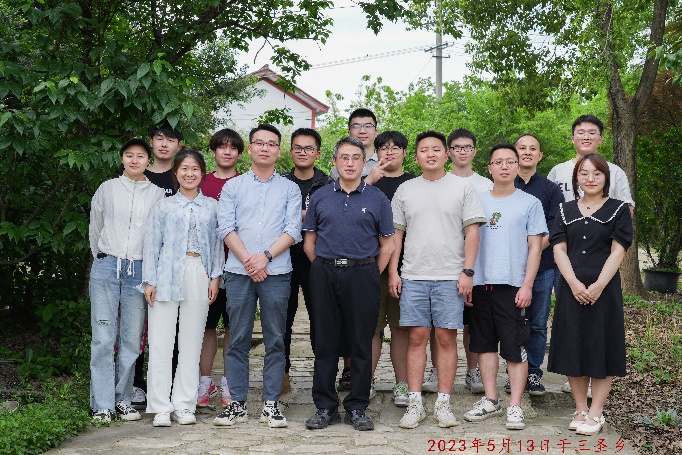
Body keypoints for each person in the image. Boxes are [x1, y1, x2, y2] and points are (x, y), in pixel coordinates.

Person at [390, 131, 486, 429]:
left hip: (450, 277)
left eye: (436, 149)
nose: (430, 154)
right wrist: (393, 272)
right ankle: (415, 404)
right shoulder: (405, 189)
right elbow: (396, 236)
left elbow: (472, 232)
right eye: (424, 150)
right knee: (416, 337)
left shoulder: (463, 187)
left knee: (446, 338)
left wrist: (467, 272)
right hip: (414, 276)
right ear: (415, 156)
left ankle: (443, 404)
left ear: (446, 154)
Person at [303, 137, 394, 431]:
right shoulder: (320, 196)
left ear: (364, 162)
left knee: (361, 342)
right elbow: (309, 242)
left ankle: (357, 406)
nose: (350, 163)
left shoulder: (377, 199)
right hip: (325, 272)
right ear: (334, 162)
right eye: (344, 157)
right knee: (325, 341)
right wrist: (325, 267)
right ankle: (325, 406)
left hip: (363, 274)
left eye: (356, 157)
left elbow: (387, 244)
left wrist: (370, 272)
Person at [214, 124, 302, 428]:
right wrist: (248, 261)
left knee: (276, 338)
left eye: (271, 143)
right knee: (237, 338)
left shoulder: (290, 189)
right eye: (259, 143)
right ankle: (237, 404)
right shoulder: (233, 187)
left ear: (279, 150)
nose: (265, 148)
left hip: (276, 271)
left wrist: (264, 257)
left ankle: (271, 404)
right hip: (239, 273)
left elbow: (293, 230)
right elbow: (226, 227)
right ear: (250, 148)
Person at [546, 114, 634, 396]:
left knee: (602, 344)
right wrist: (573, 283)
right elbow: (558, 245)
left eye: (597, 174)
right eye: (584, 174)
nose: (590, 178)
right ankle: (580, 408)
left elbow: (619, 246)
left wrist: (598, 285)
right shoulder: (564, 202)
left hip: (604, 283)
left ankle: (596, 411)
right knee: (572, 343)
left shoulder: (617, 201)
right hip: (570, 281)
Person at [463, 144, 546, 431]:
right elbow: (466, 241)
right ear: (489, 167)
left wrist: (527, 285)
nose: (504, 166)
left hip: (513, 286)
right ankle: (491, 399)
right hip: (481, 284)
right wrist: (469, 279)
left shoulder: (530, 203)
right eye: (498, 162)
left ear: (517, 166)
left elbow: (535, 247)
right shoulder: (476, 202)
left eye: (510, 161)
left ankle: (515, 405)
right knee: (484, 344)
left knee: (515, 347)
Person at [141, 148, 223, 427]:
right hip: (165, 273)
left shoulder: (212, 207)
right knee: (161, 343)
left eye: (195, 169)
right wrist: (150, 280)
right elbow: (152, 244)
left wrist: (215, 277)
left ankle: (185, 405)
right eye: (184, 169)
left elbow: (217, 245)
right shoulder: (164, 206)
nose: (190, 174)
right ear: (176, 173)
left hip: (198, 271)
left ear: (202, 173)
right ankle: (160, 407)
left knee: (192, 341)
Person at [88, 138, 165, 422]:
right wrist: (103, 257)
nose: (134, 160)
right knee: (103, 337)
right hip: (107, 265)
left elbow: (156, 237)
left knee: (132, 339)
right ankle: (102, 404)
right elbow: (95, 228)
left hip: (139, 270)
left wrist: (149, 273)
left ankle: (122, 399)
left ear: (148, 161)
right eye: (129, 155)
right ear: (122, 159)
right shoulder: (107, 189)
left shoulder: (157, 194)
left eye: (140, 156)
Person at [420, 128, 494, 395]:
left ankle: (473, 371)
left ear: (475, 151)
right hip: (441, 265)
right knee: (438, 324)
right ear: (448, 152)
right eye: (457, 147)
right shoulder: (437, 180)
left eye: (467, 147)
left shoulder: (486, 184)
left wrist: (473, 269)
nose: (462, 151)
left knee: (472, 323)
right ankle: (436, 369)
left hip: (476, 265)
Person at [506, 134, 564, 396]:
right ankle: (514, 373)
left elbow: (554, 227)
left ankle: (533, 373)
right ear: (515, 154)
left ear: (540, 155)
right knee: (513, 323)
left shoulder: (551, 190)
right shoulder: (504, 185)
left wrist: (531, 252)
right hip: (508, 268)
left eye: (533, 149)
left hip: (543, 267)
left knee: (538, 323)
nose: (527, 152)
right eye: (522, 148)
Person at [131, 122, 184, 410]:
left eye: (170, 139)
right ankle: (136, 384)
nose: (164, 144)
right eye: (159, 138)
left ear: (179, 145)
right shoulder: (139, 174)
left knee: (171, 326)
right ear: (151, 142)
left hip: (174, 264)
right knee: (137, 325)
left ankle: (170, 384)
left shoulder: (183, 176)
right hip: (139, 260)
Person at [331, 108, 382, 389]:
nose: (362, 130)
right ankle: (348, 370)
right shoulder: (340, 163)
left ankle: (366, 377)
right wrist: (368, 180)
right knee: (340, 319)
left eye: (368, 125)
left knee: (369, 322)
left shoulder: (386, 158)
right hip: (341, 255)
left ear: (376, 130)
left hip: (375, 253)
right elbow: (337, 203)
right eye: (356, 125)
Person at [368, 131, 416, 406]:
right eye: (383, 148)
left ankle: (402, 384)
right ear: (376, 153)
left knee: (400, 328)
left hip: (407, 266)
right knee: (371, 329)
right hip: (370, 265)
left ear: (405, 152)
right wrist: (368, 181)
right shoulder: (367, 182)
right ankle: (367, 381)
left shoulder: (413, 183)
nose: (389, 152)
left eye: (395, 147)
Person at [196, 128, 243, 408]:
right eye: (222, 147)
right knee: (207, 326)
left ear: (239, 153)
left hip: (237, 266)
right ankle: (205, 382)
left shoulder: (245, 183)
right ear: (213, 151)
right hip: (204, 268)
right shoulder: (200, 182)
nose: (227, 152)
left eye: (232, 148)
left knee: (233, 327)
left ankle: (228, 382)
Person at [282, 128, 328, 394]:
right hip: (283, 258)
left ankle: (322, 377)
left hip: (317, 258)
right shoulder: (280, 182)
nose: (303, 152)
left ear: (317, 153)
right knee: (282, 319)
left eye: (308, 148)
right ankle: (282, 373)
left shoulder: (328, 184)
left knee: (320, 319)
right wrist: (308, 214)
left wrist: (299, 214)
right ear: (291, 152)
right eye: (298, 148)